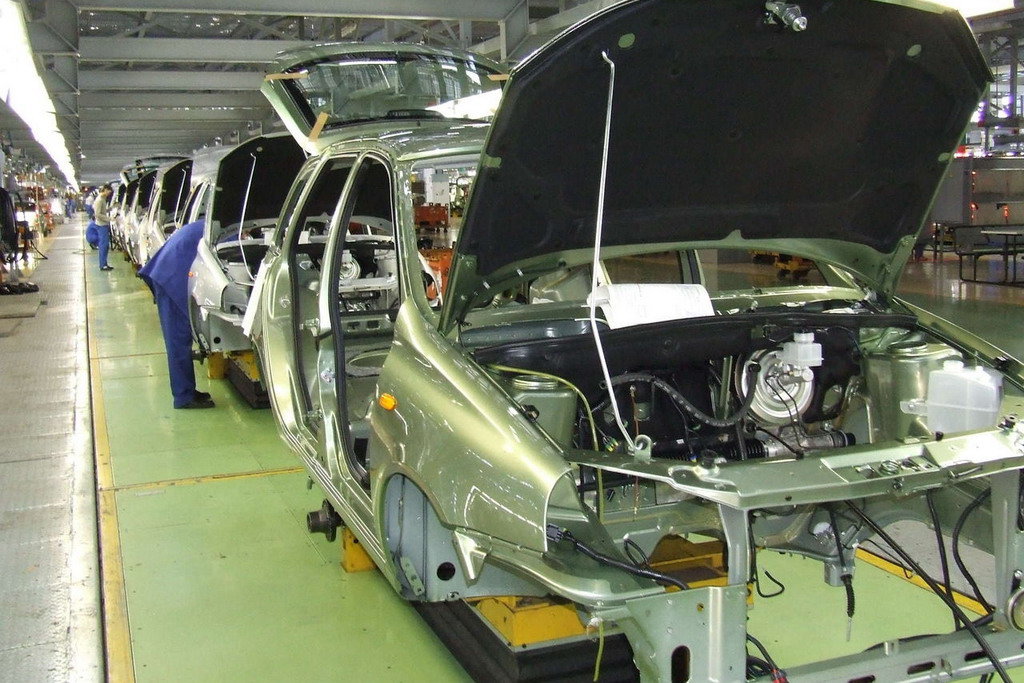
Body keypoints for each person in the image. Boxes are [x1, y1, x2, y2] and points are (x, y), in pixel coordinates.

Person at [139, 219, 214, 410]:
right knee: (178, 341)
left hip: (167, 271)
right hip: (170, 278)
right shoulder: (227, 232)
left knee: (178, 340)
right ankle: (183, 396)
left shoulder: (213, 223)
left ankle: (186, 391)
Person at [93, 184, 113, 271]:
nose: (109, 194)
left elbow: (102, 211)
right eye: (109, 192)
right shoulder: (99, 200)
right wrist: (109, 219)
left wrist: (110, 208)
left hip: (103, 224)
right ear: (105, 190)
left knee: (105, 245)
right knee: (103, 246)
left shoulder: (103, 199)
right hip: (101, 225)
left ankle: (104, 263)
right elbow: (97, 214)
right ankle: (103, 265)